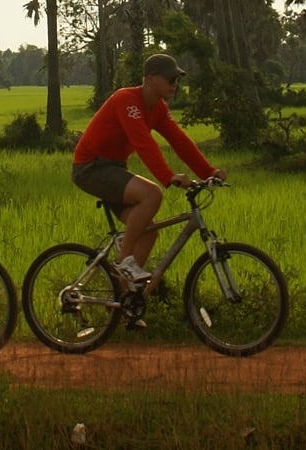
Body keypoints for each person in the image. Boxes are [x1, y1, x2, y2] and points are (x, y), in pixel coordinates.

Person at [70, 54, 224, 326]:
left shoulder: (158, 109)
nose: (175, 84)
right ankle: (123, 262)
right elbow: (143, 143)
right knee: (152, 194)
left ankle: (124, 304)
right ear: (150, 78)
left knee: (148, 233)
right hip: (91, 167)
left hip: (113, 168)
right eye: (171, 79)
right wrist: (167, 176)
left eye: (177, 80)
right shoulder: (126, 101)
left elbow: (180, 141)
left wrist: (208, 172)